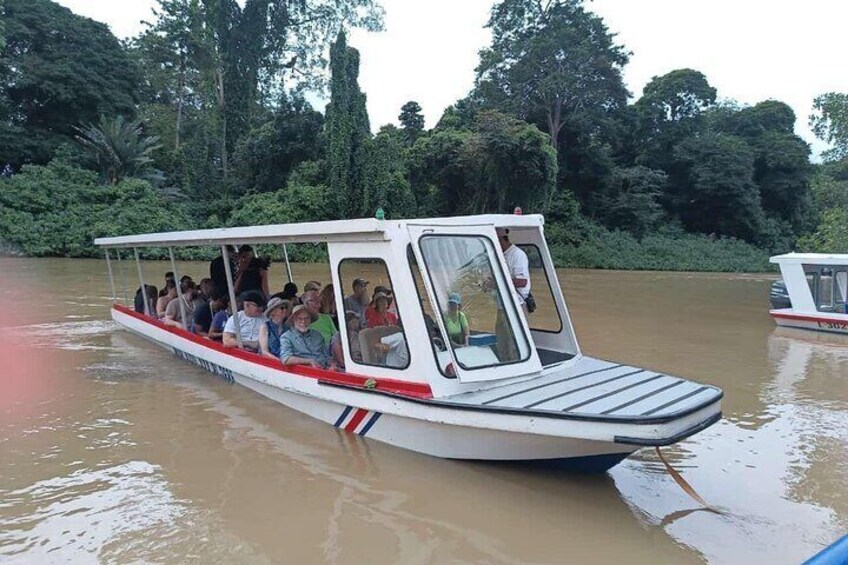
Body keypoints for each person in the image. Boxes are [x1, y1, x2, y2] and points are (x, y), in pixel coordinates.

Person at [279, 304, 336, 369]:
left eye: (306, 318)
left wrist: (332, 364)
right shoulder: (286, 337)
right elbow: (286, 359)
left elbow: (326, 356)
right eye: (300, 319)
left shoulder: (317, 335)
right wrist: (309, 361)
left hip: (325, 370)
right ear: (294, 320)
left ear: (310, 320)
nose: (303, 321)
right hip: (305, 374)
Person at [495, 228, 530, 306]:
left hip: (517, 304)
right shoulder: (501, 255)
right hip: (504, 302)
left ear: (500, 240)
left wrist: (495, 283)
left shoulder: (518, 255)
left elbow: (522, 282)